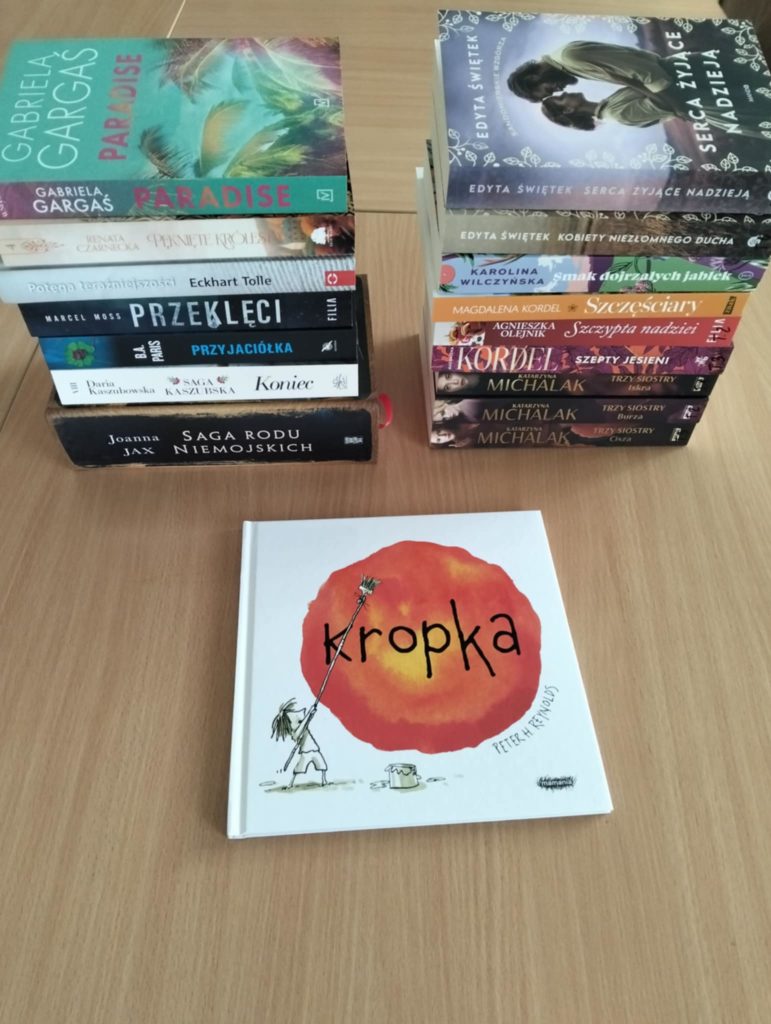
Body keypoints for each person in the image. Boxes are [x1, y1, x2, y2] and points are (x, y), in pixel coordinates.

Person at [507, 40, 688, 109]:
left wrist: (675, 104)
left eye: (549, 89)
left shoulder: (570, 57)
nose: (558, 90)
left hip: (676, 76)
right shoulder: (568, 66)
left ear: (533, 77)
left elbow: (644, 71)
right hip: (675, 78)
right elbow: (630, 79)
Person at [271, 698, 328, 788]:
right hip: (305, 751)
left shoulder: (301, 727)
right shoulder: (295, 733)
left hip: (314, 748)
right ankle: (291, 783)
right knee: (299, 769)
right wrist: (309, 714)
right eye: (298, 721)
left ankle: (324, 780)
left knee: (322, 765)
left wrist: (311, 714)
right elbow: (303, 725)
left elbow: (305, 722)